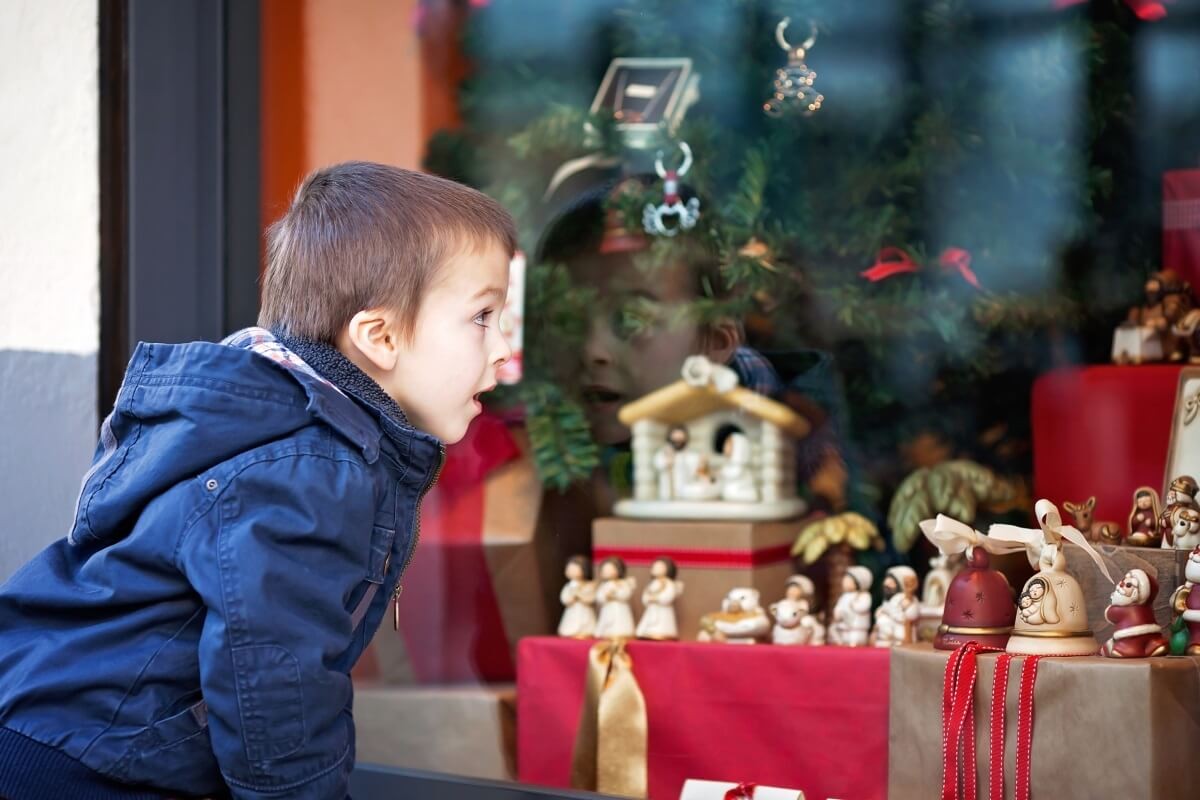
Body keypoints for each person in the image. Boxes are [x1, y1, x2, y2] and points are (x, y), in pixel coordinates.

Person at [0, 162, 515, 799]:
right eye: (482, 317)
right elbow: (276, 694)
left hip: (75, 737)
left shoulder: (289, 436)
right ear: (379, 336)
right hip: (88, 766)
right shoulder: (306, 471)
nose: (503, 351)